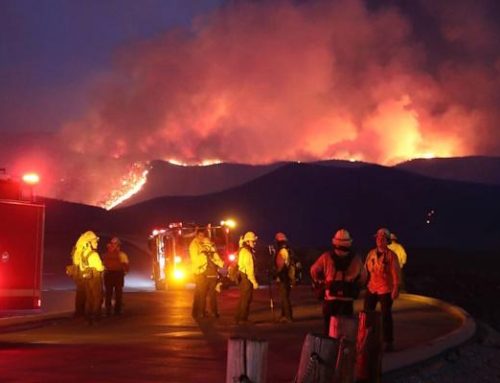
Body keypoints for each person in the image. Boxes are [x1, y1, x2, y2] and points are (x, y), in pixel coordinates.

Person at [310, 229, 365, 335]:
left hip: (330, 298)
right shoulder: (356, 259)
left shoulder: (326, 257)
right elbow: (363, 277)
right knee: (346, 330)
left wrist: (320, 280)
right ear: (349, 243)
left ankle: (329, 349)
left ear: (335, 242)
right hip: (347, 299)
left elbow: (313, 270)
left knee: (329, 328)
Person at [364, 228, 400, 352]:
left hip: (385, 289)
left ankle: (388, 342)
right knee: (367, 314)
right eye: (378, 238)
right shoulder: (371, 254)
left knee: (386, 316)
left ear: (387, 241)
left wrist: (395, 288)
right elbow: (366, 270)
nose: (379, 240)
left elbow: (396, 273)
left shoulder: (391, 256)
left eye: (382, 238)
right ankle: (367, 339)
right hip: (372, 287)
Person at [72, 231, 104, 325]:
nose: (96, 243)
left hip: (86, 278)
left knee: (89, 298)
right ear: (89, 243)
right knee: (97, 297)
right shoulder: (94, 255)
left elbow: (81, 267)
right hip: (95, 278)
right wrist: (102, 268)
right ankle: (95, 316)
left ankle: (88, 316)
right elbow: (99, 267)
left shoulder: (82, 255)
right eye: (94, 242)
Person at [235, 231, 259, 324]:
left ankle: (238, 318)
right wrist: (254, 282)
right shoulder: (247, 253)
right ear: (248, 242)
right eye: (253, 241)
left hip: (243, 277)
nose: (255, 243)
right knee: (246, 299)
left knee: (243, 299)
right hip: (246, 279)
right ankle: (243, 319)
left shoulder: (243, 250)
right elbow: (250, 270)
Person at [102, 237, 129, 316]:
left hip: (108, 275)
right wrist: (124, 272)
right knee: (118, 293)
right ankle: (117, 310)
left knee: (108, 293)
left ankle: (108, 310)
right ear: (118, 245)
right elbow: (126, 266)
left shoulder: (106, 254)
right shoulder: (122, 254)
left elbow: (103, 265)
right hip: (118, 275)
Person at [200, 237, 224, 318]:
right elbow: (221, 264)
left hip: (204, 277)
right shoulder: (214, 254)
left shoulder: (201, 254)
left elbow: (198, 266)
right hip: (213, 277)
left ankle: (201, 313)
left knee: (203, 295)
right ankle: (214, 313)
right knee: (212, 296)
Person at [273, 232, 294, 323]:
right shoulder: (287, 250)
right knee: (284, 297)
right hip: (287, 277)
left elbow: (281, 266)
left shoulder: (282, 251)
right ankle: (284, 316)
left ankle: (288, 317)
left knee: (284, 298)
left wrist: (276, 274)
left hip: (283, 277)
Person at [189, 230, 208, 319]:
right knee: (202, 293)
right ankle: (201, 312)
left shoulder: (199, 244)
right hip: (198, 271)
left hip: (200, 271)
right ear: (196, 236)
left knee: (198, 293)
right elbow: (195, 259)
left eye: (203, 236)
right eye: (200, 235)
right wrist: (204, 254)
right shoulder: (194, 245)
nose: (202, 237)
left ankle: (195, 312)